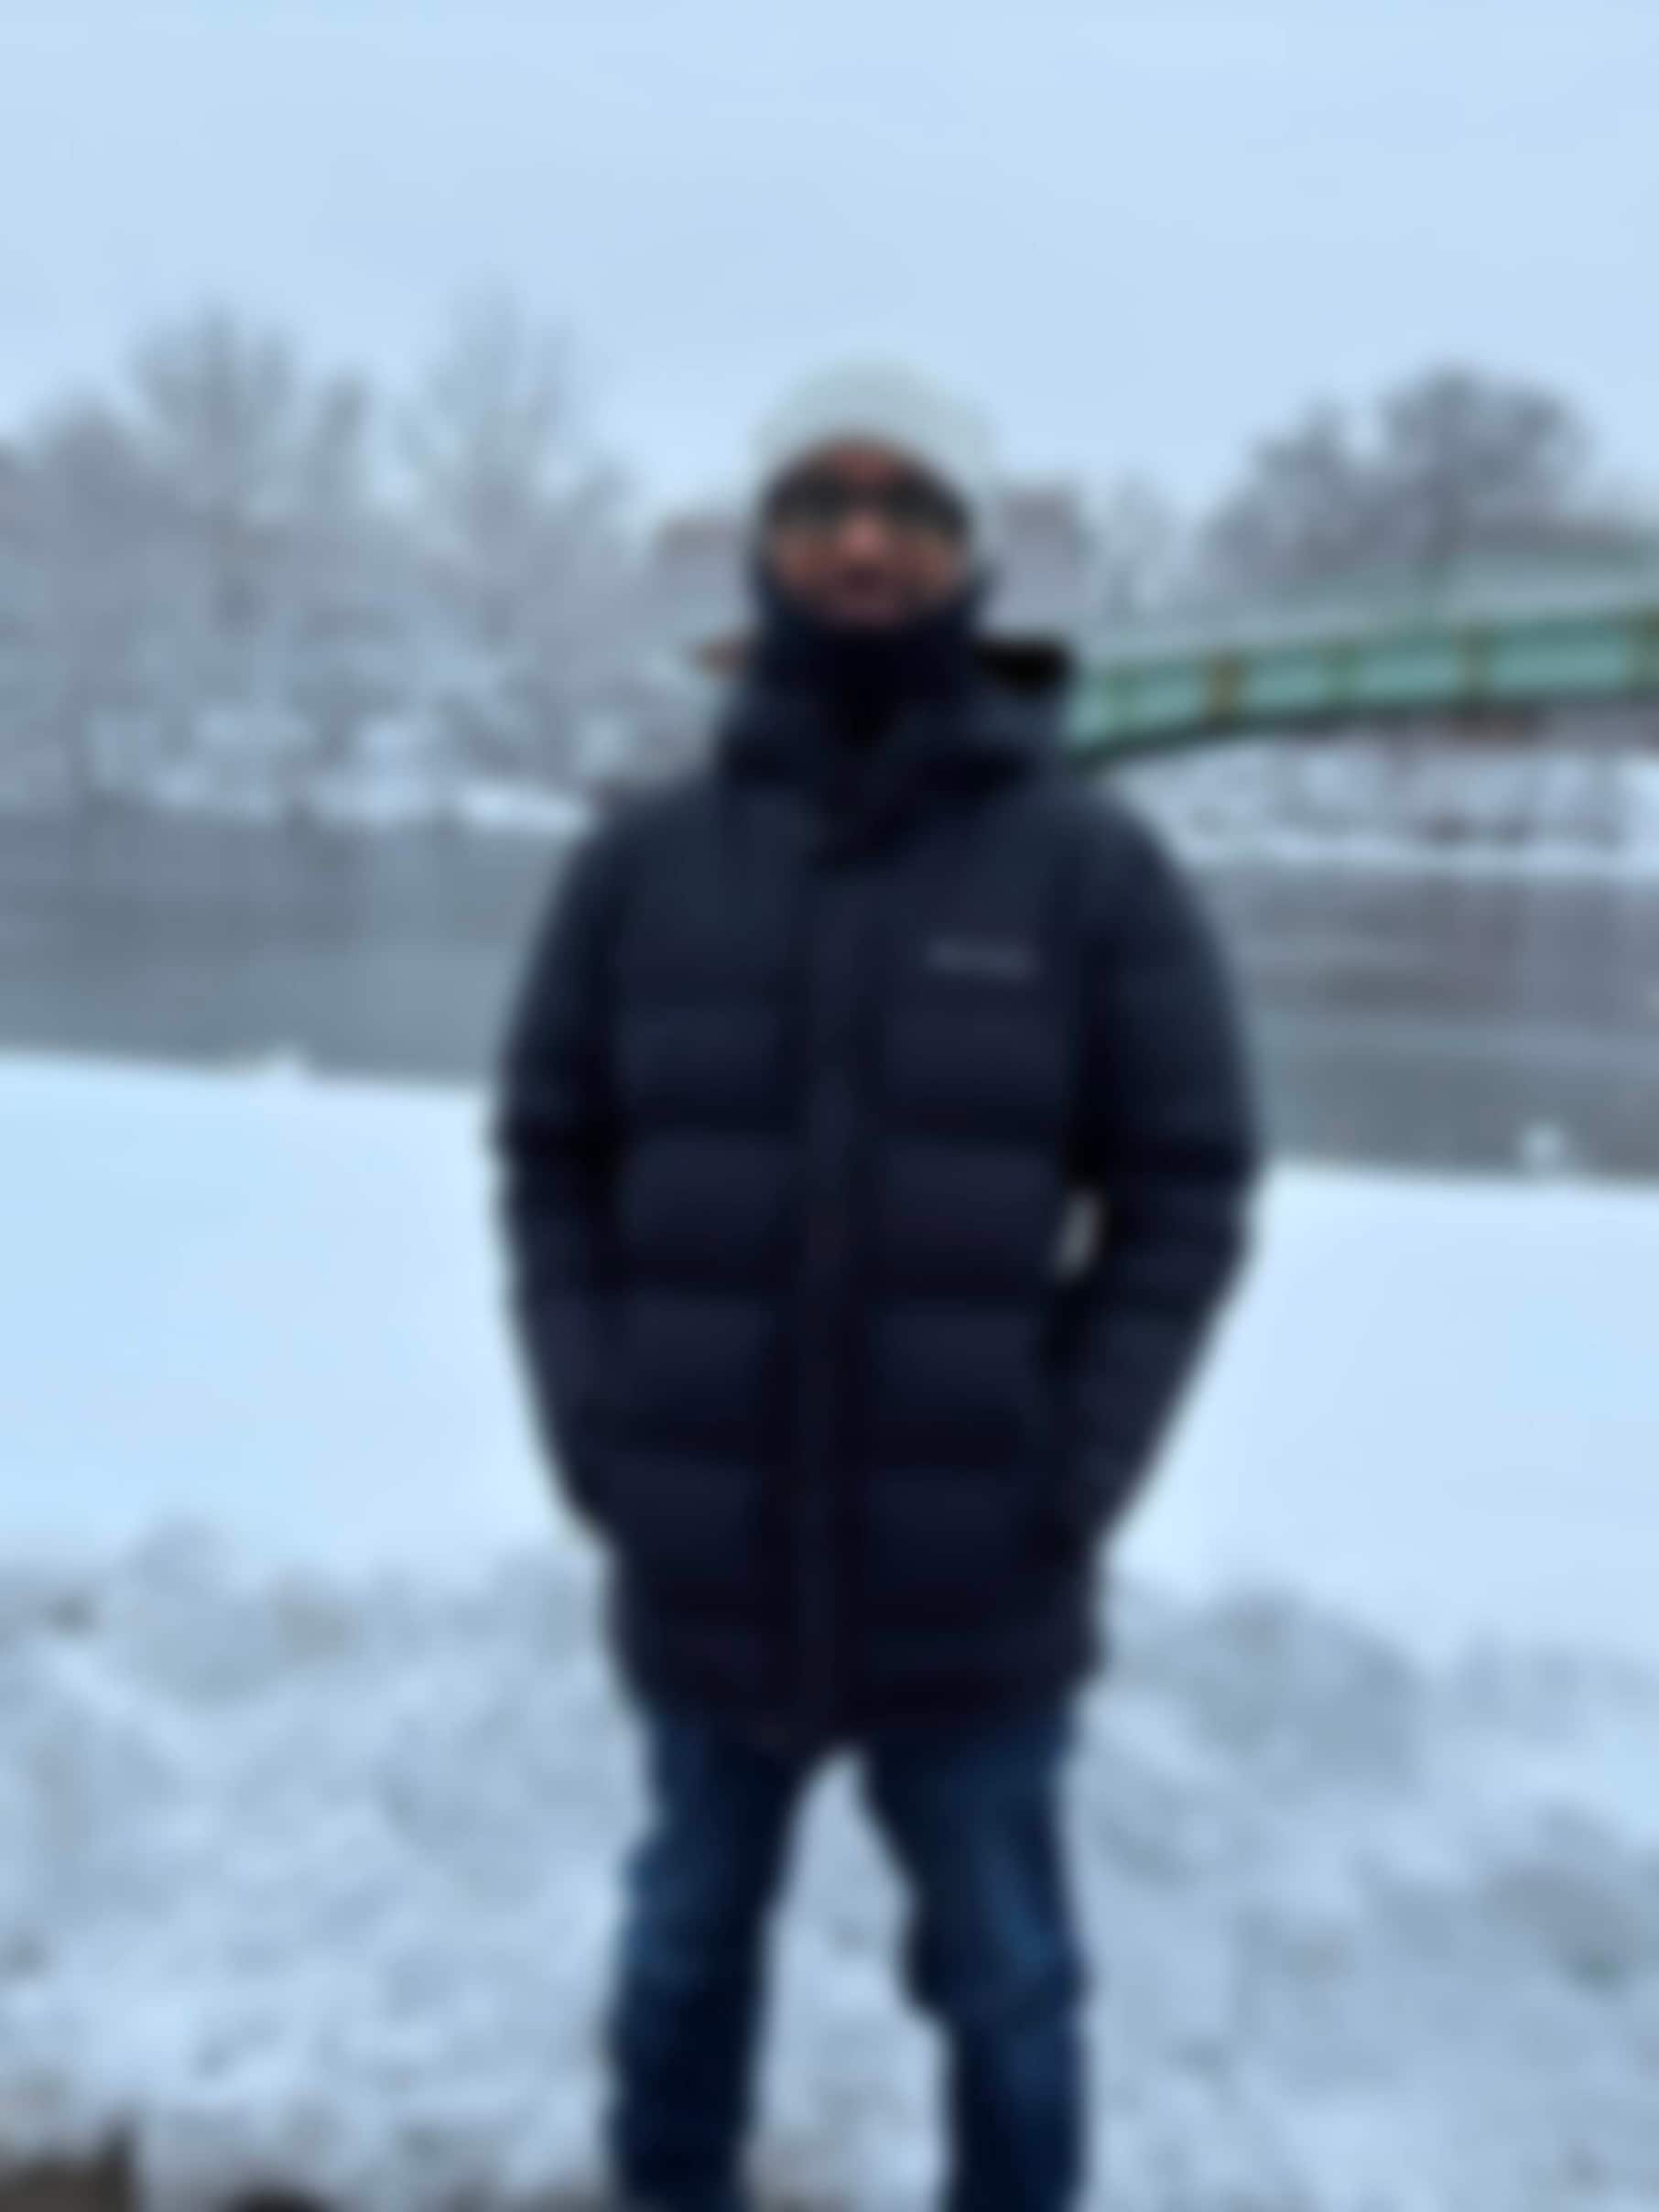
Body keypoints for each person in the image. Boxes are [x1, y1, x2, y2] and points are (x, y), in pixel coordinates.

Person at [490, 360, 1263, 2212]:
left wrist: (1068, 1466)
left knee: (1011, 1987)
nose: (861, 539)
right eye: (818, 503)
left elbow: (1186, 1184)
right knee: (683, 1951)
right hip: (709, 1559)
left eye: (910, 506)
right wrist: (602, 1429)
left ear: (968, 559)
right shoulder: (638, 866)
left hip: (974, 1578)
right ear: (762, 548)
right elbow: (550, 1155)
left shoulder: (1090, 870)